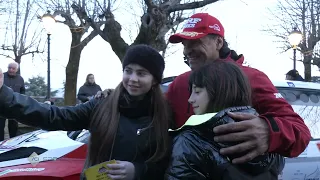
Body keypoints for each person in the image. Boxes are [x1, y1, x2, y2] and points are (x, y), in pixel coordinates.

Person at [0, 44, 172, 180]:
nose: (132, 79)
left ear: (155, 80)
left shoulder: (164, 114)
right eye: (128, 71)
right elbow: (54, 116)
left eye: (141, 73)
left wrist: (137, 171)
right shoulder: (102, 104)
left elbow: (167, 163)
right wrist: (4, 94)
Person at [166, 13, 311, 163]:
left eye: (195, 42)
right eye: (184, 44)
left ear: (218, 42)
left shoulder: (251, 78)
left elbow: (300, 131)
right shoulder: (179, 84)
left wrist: (269, 131)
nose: (186, 51)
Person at [165, 60, 284, 180]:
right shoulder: (268, 137)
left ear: (219, 93)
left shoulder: (190, 142)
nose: (190, 99)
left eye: (197, 91)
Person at [0, 62, 25, 141]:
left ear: (16, 70)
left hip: (14, 105)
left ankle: (13, 143)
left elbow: (23, 91)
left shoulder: (20, 79)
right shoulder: (2, 76)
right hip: (1, 105)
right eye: (9, 68)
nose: (11, 70)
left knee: (13, 126)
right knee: (0, 126)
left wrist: (22, 102)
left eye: (13, 68)